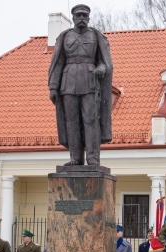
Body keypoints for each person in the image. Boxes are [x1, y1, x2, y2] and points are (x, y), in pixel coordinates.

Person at [48, 4, 113, 166]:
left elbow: (106, 63)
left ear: (89, 18)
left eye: (84, 15)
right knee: (72, 121)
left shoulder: (96, 36)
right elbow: (58, 62)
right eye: (79, 15)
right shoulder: (65, 37)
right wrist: (53, 87)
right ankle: (75, 158)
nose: (82, 18)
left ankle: (92, 157)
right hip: (68, 82)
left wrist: (101, 68)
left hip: (90, 82)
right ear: (74, 18)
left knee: (91, 120)